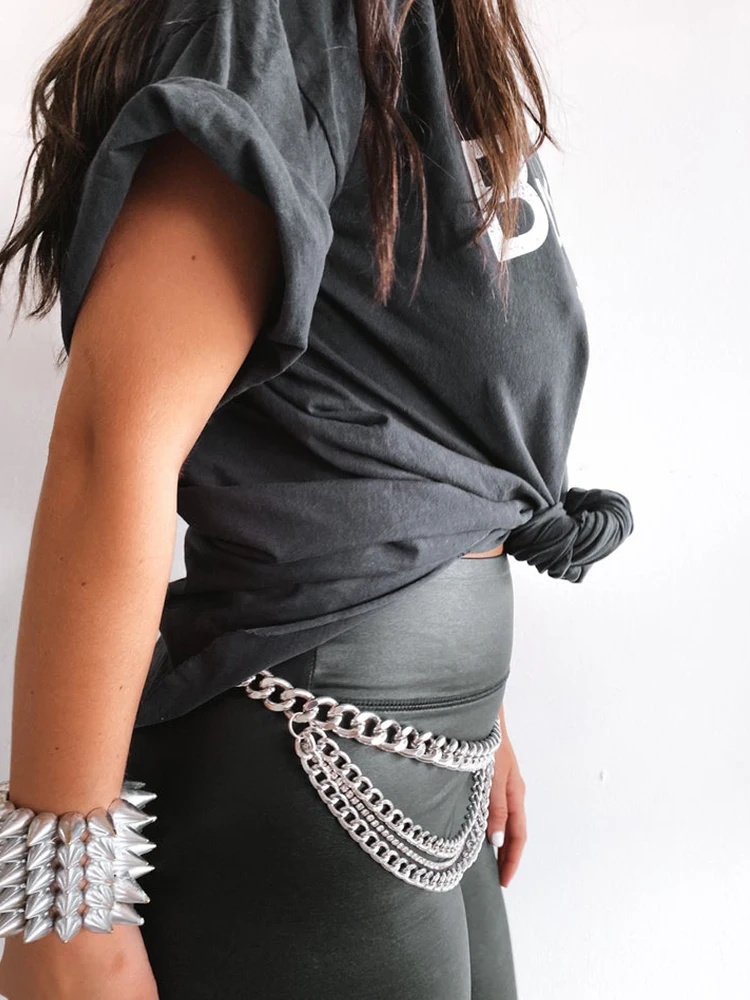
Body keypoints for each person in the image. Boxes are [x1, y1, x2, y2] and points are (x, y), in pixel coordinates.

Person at [0, 0, 633, 997]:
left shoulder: (423, 34)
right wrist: (63, 907)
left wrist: (473, 713)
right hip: (310, 753)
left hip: (417, 748)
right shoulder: (286, 19)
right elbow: (111, 442)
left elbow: (411, 403)